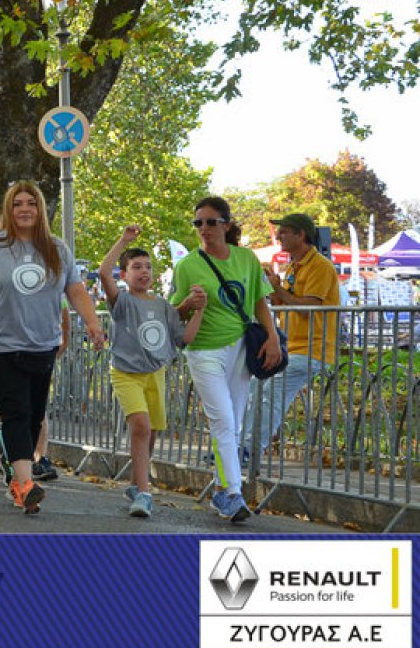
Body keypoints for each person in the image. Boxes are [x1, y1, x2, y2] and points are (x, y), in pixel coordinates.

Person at [0, 181, 105, 515]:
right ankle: (25, 484)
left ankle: (17, 480)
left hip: (43, 344)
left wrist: (92, 322)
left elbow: (75, 290)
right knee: (15, 411)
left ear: (40, 210)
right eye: (18, 203)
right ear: (8, 209)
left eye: (31, 203)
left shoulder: (56, 248)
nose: (25, 209)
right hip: (2, 344)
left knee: (34, 415)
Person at [170, 195, 281, 523]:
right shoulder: (187, 266)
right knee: (223, 419)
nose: (203, 228)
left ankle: (221, 491)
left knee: (235, 419)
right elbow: (173, 314)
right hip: (204, 350)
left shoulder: (246, 258)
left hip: (241, 347)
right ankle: (233, 493)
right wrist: (188, 304)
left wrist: (273, 337)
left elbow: (260, 301)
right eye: (198, 223)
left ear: (226, 225)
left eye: (210, 222)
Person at [98, 225, 203, 517]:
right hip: (125, 372)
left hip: (155, 373)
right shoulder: (122, 301)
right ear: (124, 274)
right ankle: (144, 494)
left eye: (147, 266)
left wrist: (199, 309)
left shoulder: (162, 305)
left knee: (151, 432)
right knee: (141, 427)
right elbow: (104, 273)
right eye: (136, 267)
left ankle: (136, 484)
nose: (143, 271)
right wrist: (123, 240)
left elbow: (185, 337)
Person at [243, 212, 341, 452]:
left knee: (272, 392)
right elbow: (284, 305)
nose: (278, 236)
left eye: (284, 231)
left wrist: (278, 289)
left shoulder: (320, 266)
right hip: (291, 347)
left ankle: (250, 449)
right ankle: (239, 445)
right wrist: (273, 288)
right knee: (254, 388)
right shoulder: (294, 266)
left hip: (312, 350)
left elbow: (308, 308)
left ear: (301, 235)